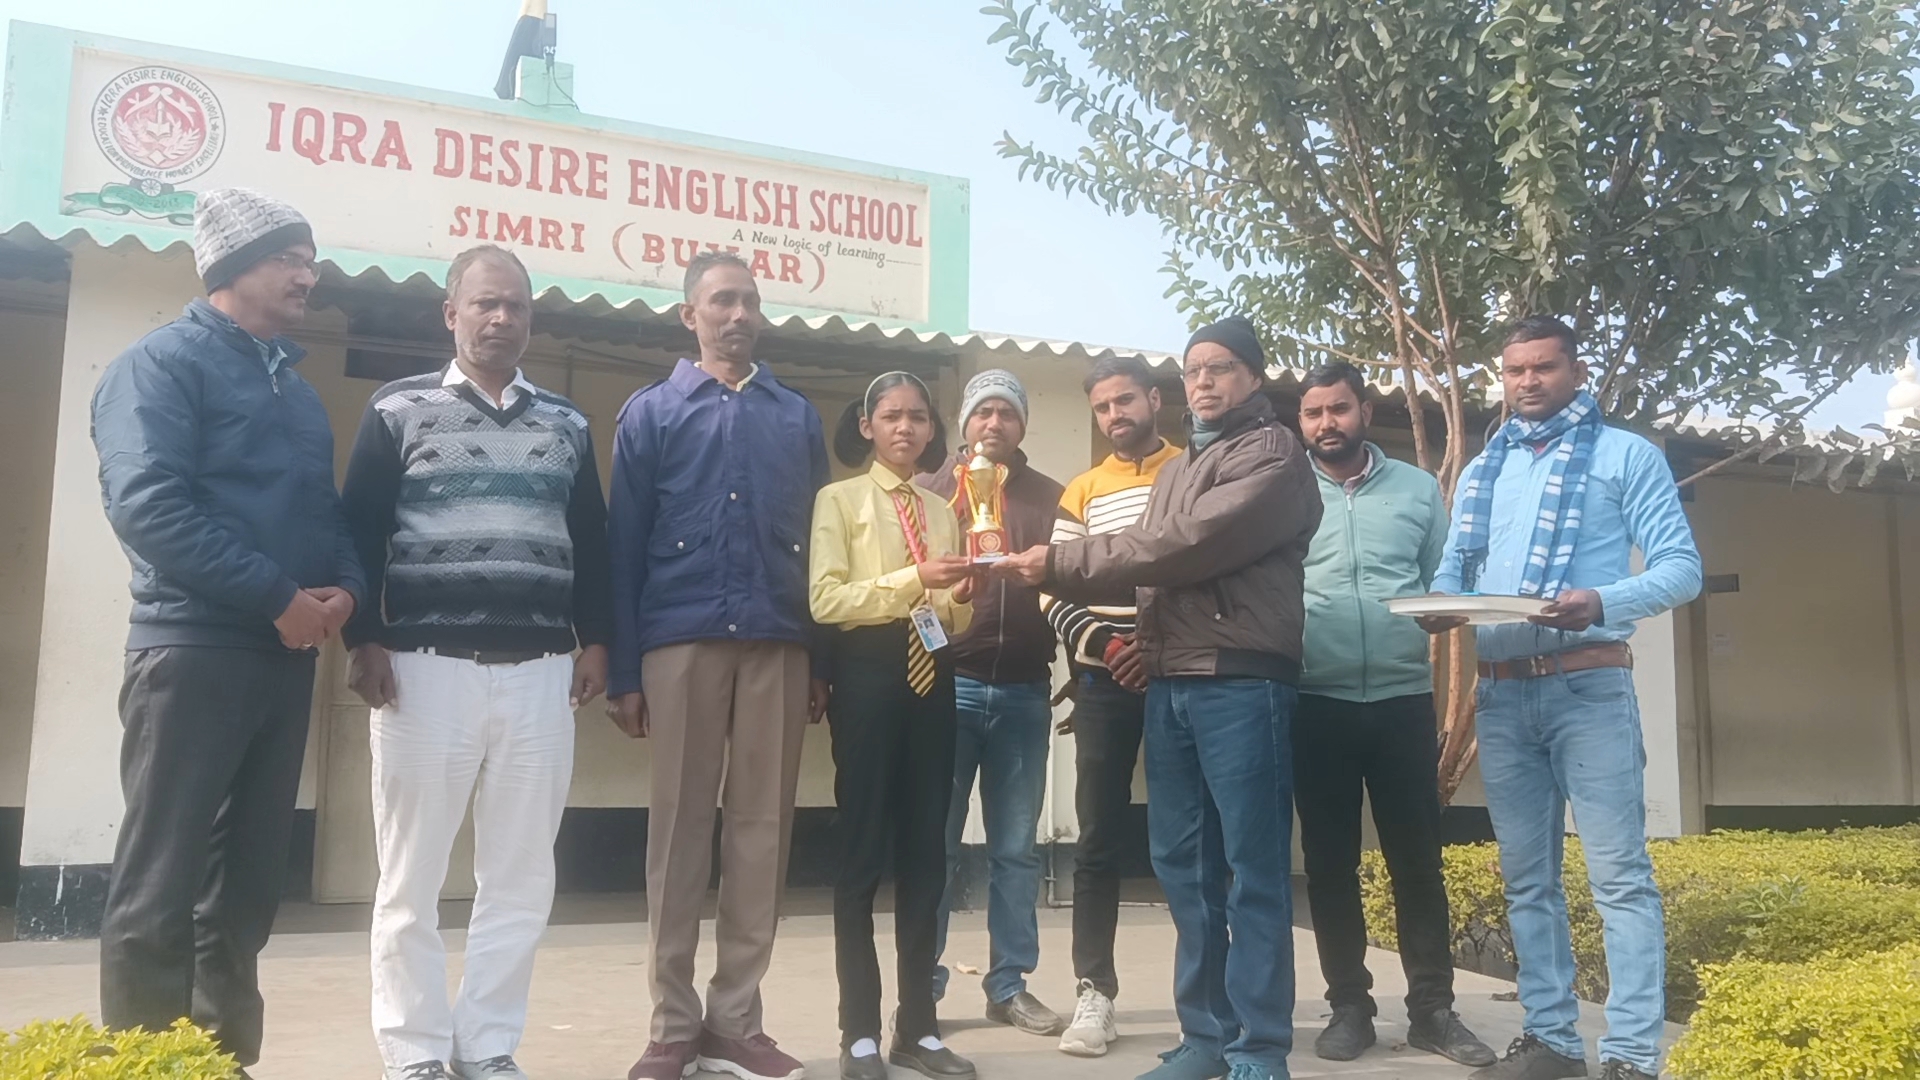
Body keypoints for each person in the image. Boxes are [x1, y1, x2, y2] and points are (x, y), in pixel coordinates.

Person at [995, 316, 1320, 1080]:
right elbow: (1152, 578)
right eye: (1193, 369)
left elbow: (1183, 547)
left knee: (1251, 870)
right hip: (1172, 682)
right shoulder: (1181, 470)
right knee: (1184, 866)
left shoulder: (1273, 453)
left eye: (1221, 367)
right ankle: (1205, 1037)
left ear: (1254, 376)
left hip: (1240, 679)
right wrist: (1136, 646)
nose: (1203, 380)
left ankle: (1259, 1048)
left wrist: (1058, 563)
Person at [91, 187, 365, 1069]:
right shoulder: (159, 365)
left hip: (282, 658)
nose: (307, 275)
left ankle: (222, 1058)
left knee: (244, 888)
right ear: (232, 266)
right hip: (192, 649)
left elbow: (325, 515)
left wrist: (346, 592)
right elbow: (148, 506)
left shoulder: (296, 390)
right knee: (160, 882)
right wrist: (277, 597)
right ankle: (146, 1062)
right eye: (289, 257)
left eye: (310, 259)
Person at [339, 244, 613, 1080]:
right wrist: (363, 637)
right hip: (424, 671)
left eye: (516, 306)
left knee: (521, 878)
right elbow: (357, 531)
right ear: (450, 314)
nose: (501, 318)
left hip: (541, 675)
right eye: (486, 303)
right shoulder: (398, 409)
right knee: (410, 878)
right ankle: (415, 1050)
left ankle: (487, 1045)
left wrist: (597, 639)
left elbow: (592, 541)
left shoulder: (566, 423)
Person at [1420, 316, 1701, 1080]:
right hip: (1502, 697)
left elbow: (1681, 568)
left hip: (1588, 687)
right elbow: (1455, 573)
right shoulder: (1484, 471)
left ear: (1577, 372)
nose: (1528, 381)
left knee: (1619, 877)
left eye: (1543, 367)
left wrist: (1603, 599)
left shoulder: (1625, 456)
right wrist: (1440, 607)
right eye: (1515, 370)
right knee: (1527, 882)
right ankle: (1551, 1042)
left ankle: (1632, 1055)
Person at [608, 250, 832, 1080]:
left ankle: (735, 1021)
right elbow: (623, 546)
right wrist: (625, 670)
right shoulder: (652, 413)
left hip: (779, 637)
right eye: (722, 301)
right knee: (678, 830)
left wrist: (820, 659)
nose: (738, 315)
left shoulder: (794, 416)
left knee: (763, 829)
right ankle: (672, 1024)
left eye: (750, 302)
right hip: (682, 639)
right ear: (689, 315)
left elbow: (820, 547)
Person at [1292, 362, 1495, 1068]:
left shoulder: (1415, 488)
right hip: (1314, 700)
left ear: (1364, 411)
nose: (1326, 423)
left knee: (1417, 861)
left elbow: (1446, 579)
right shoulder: (1285, 491)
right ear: (1301, 422)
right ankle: (1349, 1006)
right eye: (1313, 413)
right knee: (1329, 865)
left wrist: (1445, 609)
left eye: (1338, 409)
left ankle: (1433, 1011)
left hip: (1403, 700)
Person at [810, 372, 978, 1080]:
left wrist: (962, 595)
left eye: (917, 417)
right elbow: (826, 600)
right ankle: (858, 1032)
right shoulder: (839, 500)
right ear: (867, 426)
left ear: (933, 429)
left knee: (926, 856)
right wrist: (914, 580)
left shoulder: (943, 509)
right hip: (869, 675)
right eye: (890, 416)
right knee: (861, 855)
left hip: (933, 676)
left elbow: (950, 617)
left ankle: (919, 1027)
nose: (905, 428)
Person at [915, 369, 1067, 1039]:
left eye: (1007, 412)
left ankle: (1008, 986)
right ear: (964, 420)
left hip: (1025, 692)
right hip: (946, 689)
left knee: (1016, 851)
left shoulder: (1052, 499)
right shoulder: (927, 494)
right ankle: (921, 986)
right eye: (983, 412)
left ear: (1022, 424)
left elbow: (1071, 587)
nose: (994, 423)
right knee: (935, 847)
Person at [1037, 355, 1180, 1057]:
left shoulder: (1191, 472)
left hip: (1182, 677)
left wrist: (1157, 648)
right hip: (1101, 683)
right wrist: (1110, 644)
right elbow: (1051, 587)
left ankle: (1207, 997)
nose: (1114, 415)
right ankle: (1094, 994)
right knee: (1096, 839)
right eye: (1102, 407)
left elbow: (1207, 574)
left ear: (1153, 399)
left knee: (1192, 836)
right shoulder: (1084, 490)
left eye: (1124, 400)